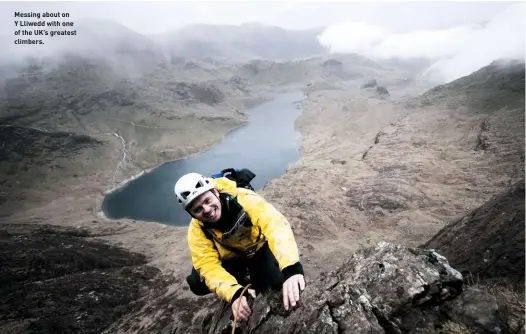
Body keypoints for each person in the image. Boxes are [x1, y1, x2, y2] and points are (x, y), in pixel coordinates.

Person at [175, 172, 305, 321]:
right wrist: (234, 293)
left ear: (216, 192)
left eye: (207, 200)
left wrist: (291, 268)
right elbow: (206, 265)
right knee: (196, 283)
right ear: (192, 214)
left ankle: (254, 277)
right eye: (197, 209)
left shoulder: (244, 198)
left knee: (276, 283)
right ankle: (241, 279)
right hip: (232, 259)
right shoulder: (197, 229)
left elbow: (275, 225)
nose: (206, 209)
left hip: (257, 249)